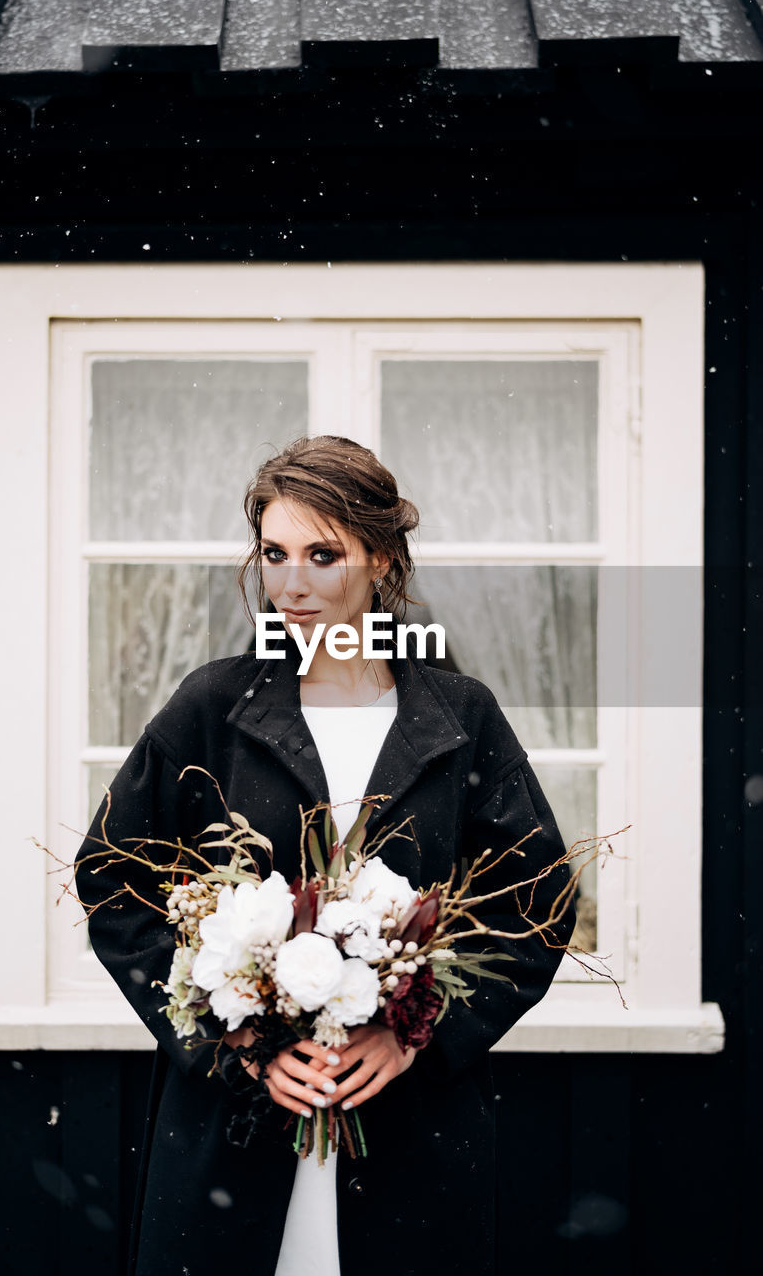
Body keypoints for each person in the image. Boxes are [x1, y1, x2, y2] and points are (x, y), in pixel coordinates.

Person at [75, 435, 573, 1276]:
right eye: (273, 553)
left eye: (322, 555)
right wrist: (237, 1039)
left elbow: (534, 902)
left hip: (408, 1133)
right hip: (232, 1136)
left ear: (379, 557)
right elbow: (113, 879)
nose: (292, 582)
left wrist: (419, 1036)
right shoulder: (213, 705)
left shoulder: (455, 714)